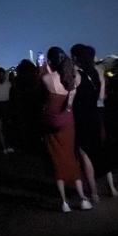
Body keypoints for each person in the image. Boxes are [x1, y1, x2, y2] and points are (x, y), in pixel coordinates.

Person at [41, 47, 91, 212]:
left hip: (52, 122)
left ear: (50, 61)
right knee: (71, 156)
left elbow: (42, 86)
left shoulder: (47, 79)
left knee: (57, 159)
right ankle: (83, 198)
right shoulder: (74, 80)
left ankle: (64, 202)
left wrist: (45, 67)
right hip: (68, 122)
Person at [71, 44, 118, 200]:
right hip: (97, 115)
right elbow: (102, 97)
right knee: (102, 151)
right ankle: (112, 189)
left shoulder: (76, 75)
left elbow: (71, 99)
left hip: (82, 118)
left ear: (76, 58)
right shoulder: (99, 71)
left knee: (86, 156)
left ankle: (95, 194)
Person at [0, 67, 14, 154]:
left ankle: (4, 147)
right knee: (7, 127)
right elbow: (7, 74)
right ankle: (9, 146)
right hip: (6, 105)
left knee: (0, 128)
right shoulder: (8, 84)